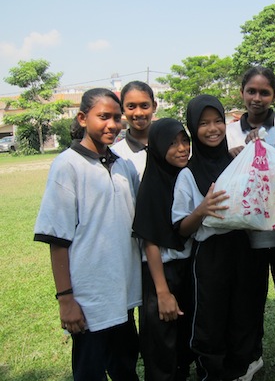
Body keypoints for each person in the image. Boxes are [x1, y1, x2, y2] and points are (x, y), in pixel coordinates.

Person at [34, 88, 142, 380]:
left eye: (117, 118)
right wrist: (65, 299)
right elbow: (57, 239)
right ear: (83, 118)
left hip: (122, 293)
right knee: (89, 371)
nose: (112, 124)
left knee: (125, 368)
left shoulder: (123, 165)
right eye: (103, 117)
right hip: (88, 300)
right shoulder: (67, 166)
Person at [172, 94, 262, 381]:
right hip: (209, 254)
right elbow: (182, 228)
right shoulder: (188, 173)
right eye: (203, 123)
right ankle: (211, 372)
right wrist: (201, 211)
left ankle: (242, 369)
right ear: (192, 128)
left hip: (243, 248)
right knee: (210, 316)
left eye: (218, 121)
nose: (213, 129)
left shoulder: (236, 160)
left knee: (243, 312)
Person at [226, 66, 275, 381]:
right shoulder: (229, 131)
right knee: (249, 300)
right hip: (247, 235)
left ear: (274, 95)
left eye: (264, 92)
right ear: (242, 92)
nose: (257, 98)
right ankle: (252, 356)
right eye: (251, 91)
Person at [132, 118, 195, 381]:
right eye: (172, 143)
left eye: (185, 141)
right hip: (161, 274)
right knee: (161, 345)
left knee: (182, 341)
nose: (181, 149)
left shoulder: (186, 176)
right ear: (157, 147)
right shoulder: (152, 184)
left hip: (187, 270)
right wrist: (162, 293)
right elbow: (150, 241)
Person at [112, 80, 157, 178]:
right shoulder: (116, 155)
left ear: (154, 106)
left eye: (144, 106)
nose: (139, 113)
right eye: (131, 107)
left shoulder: (170, 145)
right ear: (122, 109)